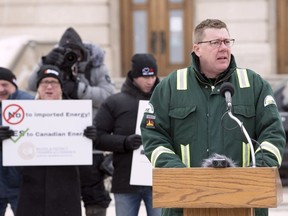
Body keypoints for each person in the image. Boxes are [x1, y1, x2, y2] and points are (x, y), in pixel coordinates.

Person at [140, 19, 286, 216]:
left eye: (227, 41)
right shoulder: (172, 86)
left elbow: (273, 134)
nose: (224, 48)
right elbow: (153, 135)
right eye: (215, 43)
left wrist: (255, 173)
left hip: (246, 203)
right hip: (184, 204)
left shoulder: (253, 85)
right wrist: (181, 174)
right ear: (197, 49)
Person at [27, 27, 114, 216]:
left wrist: (79, 89)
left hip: (89, 142)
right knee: (62, 197)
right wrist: (46, 63)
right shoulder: (53, 61)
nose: (72, 57)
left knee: (95, 197)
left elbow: (108, 95)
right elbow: (32, 84)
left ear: (84, 52)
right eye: (68, 53)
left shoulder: (95, 65)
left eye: (76, 53)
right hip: (59, 144)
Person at [0, 64, 97, 216]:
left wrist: (91, 136)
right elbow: (15, 146)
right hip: (31, 185)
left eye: (54, 82)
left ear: (61, 88)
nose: (49, 87)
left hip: (66, 185)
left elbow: (89, 147)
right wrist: (3, 140)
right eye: (44, 83)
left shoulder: (76, 114)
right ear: (38, 88)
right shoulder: (25, 114)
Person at [95, 53, 162, 216]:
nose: (150, 81)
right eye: (144, 76)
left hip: (158, 181)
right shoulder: (115, 102)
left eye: (153, 76)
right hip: (125, 182)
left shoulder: (165, 101)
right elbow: (97, 137)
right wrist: (124, 142)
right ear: (133, 76)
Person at [0, 67, 34, 216]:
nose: (1, 89)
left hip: (22, 180)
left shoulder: (30, 104)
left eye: (5, 85)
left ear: (14, 85)